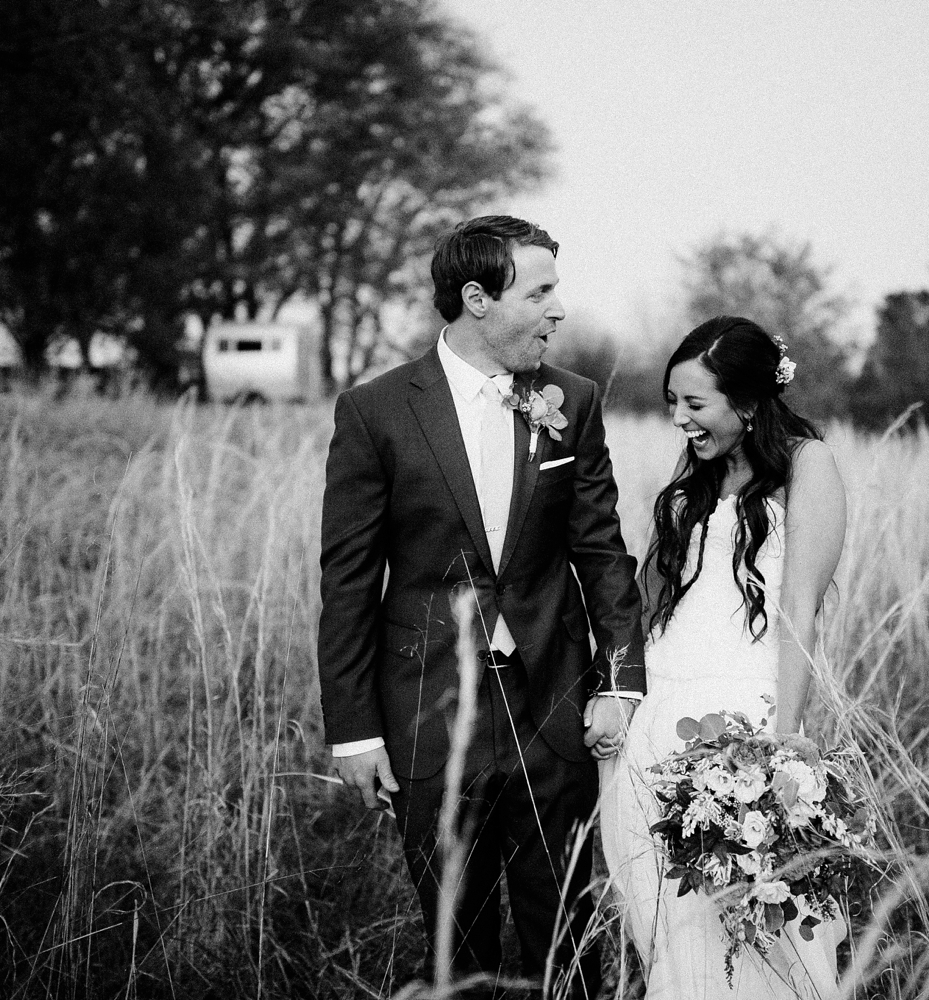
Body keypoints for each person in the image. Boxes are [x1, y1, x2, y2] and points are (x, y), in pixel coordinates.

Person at [317, 215, 647, 998]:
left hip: (552, 706)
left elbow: (602, 550)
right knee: (454, 937)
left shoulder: (573, 399)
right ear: (477, 298)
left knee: (564, 926)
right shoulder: (377, 411)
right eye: (540, 292)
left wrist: (619, 680)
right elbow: (349, 582)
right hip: (430, 710)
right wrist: (356, 731)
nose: (558, 310)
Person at [598, 316, 848, 998]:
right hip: (653, 722)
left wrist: (784, 744)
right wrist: (617, 691)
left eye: (694, 404)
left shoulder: (807, 464)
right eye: (671, 402)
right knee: (669, 931)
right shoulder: (700, 470)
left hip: (739, 724)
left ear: (746, 402)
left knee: (748, 934)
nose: (679, 418)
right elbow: (650, 599)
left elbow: (800, 608)